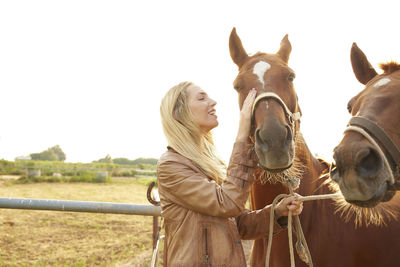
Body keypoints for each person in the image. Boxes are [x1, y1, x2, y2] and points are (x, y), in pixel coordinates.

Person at [157, 81, 303, 266]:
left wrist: (277, 213)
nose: (213, 102)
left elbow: (237, 224)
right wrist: (242, 134)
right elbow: (227, 203)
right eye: (201, 98)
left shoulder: (208, 163)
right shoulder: (171, 165)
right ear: (178, 114)